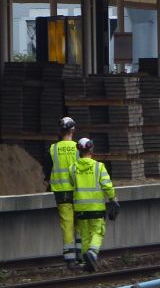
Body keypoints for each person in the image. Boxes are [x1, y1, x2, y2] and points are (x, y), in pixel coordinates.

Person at [70, 137, 118, 273]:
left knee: (85, 235)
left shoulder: (72, 168)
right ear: (91, 149)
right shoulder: (99, 167)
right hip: (96, 208)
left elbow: (71, 184)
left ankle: (87, 264)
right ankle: (92, 253)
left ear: (79, 150)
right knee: (98, 232)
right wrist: (113, 199)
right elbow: (107, 185)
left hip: (80, 208)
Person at [49, 117, 80, 267]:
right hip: (77, 191)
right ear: (73, 130)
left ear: (59, 131)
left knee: (67, 224)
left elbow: (48, 168)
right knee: (80, 222)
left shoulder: (53, 149)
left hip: (60, 191)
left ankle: (70, 259)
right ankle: (81, 255)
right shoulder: (78, 148)